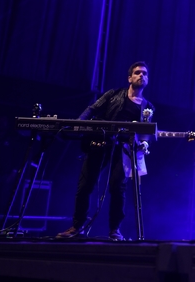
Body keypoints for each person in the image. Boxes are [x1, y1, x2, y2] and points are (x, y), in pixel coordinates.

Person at [57, 62, 154, 241]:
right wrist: (78, 124)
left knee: (118, 188)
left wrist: (145, 143)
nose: (141, 75)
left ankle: (115, 230)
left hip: (123, 150)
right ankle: (77, 226)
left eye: (144, 73)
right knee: (85, 185)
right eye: (137, 72)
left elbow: (145, 133)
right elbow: (92, 109)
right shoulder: (113, 95)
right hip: (100, 143)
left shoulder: (148, 107)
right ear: (130, 78)